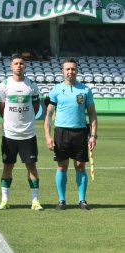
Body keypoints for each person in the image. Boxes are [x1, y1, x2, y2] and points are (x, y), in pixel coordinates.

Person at [44, 58, 98, 211]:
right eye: (67, 69)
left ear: (77, 70)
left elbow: (92, 114)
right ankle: (62, 200)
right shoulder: (56, 90)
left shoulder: (85, 90)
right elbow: (48, 115)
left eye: (73, 69)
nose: (70, 71)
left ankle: (82, 200)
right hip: (61, 132)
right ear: (62, 71)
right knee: (62, 166)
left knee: (80, 166)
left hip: (80, 132)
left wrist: (93, 135)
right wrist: (48, 136)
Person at [0, 54, 43, 211]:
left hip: (28, 134)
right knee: (8, 166)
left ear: (25, 66)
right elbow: (1, 107)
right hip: (9, 134)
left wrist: (27, 119)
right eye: (16, 63)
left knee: (32, 166)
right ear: (11, 66)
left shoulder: (32, 85)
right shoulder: (4, 85)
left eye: (22, 63)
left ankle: (35, 201)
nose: (19, 66)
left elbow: (36, 106)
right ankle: (5, 200)